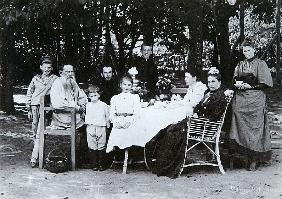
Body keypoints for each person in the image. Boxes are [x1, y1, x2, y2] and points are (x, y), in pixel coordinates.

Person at [145, 69, 230, 178]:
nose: (210, 84)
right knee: (168, 129)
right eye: (208, 82)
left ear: (219, 82)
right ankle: (160, 162)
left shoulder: (220, 96)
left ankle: (166, 164)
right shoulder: (208, 93)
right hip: (197, 123)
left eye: (213, 81)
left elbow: (214, 116)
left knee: (172, 132)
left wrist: (198, 116)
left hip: (204, 127)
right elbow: (199, 107)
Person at [229, 37, 273, 171]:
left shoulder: (261, 64)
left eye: (248, 50)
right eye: (244, 51)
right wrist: (238, 84)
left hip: (256, 97)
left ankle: (254, 158)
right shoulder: (240, 64)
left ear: (254, 50)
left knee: (255, 126)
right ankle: (240, 154)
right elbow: (234, 80)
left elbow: (265, 83)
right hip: (241, 97)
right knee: (235, 112)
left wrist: (250, 86)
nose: (246, 53)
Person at [26, 56, 57, 141]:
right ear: (41, 67)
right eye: (45, 67)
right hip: (35, 104)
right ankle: (35, 140)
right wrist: (28, 108)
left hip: (46, 104)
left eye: (49, 67)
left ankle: (42, 141)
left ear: (52, 68)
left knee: (44, 123)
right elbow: (29, 92)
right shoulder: (35, 78)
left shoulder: (55, 79)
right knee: (35, 123)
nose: (47, 69)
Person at [106, 75, 141, 152]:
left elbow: (137, 113)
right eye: (124, 84)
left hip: (130, 122)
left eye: (129, 85)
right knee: (117, 135)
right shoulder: (115, 98)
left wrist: (130, 122)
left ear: (132, 86)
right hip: (118, 122)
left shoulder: (135, 97)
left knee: (130, 135)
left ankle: (130, 156)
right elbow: (112, 114)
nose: (126, 87)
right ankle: (119, 156)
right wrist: (115, 122)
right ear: (120, 85)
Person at [85, 85, 110, 171]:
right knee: (92, 144)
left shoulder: (103, 105)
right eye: (91, 96)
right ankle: (94, 164)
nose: (93, 97)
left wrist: (108, 125)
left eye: (95, 95)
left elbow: (107, 116)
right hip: (90, 126)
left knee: (101, 144)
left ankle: (101, 164)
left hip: (101, 127)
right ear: (88, 96)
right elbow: (85, 115)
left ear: (99, 95)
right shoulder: (88, 105)